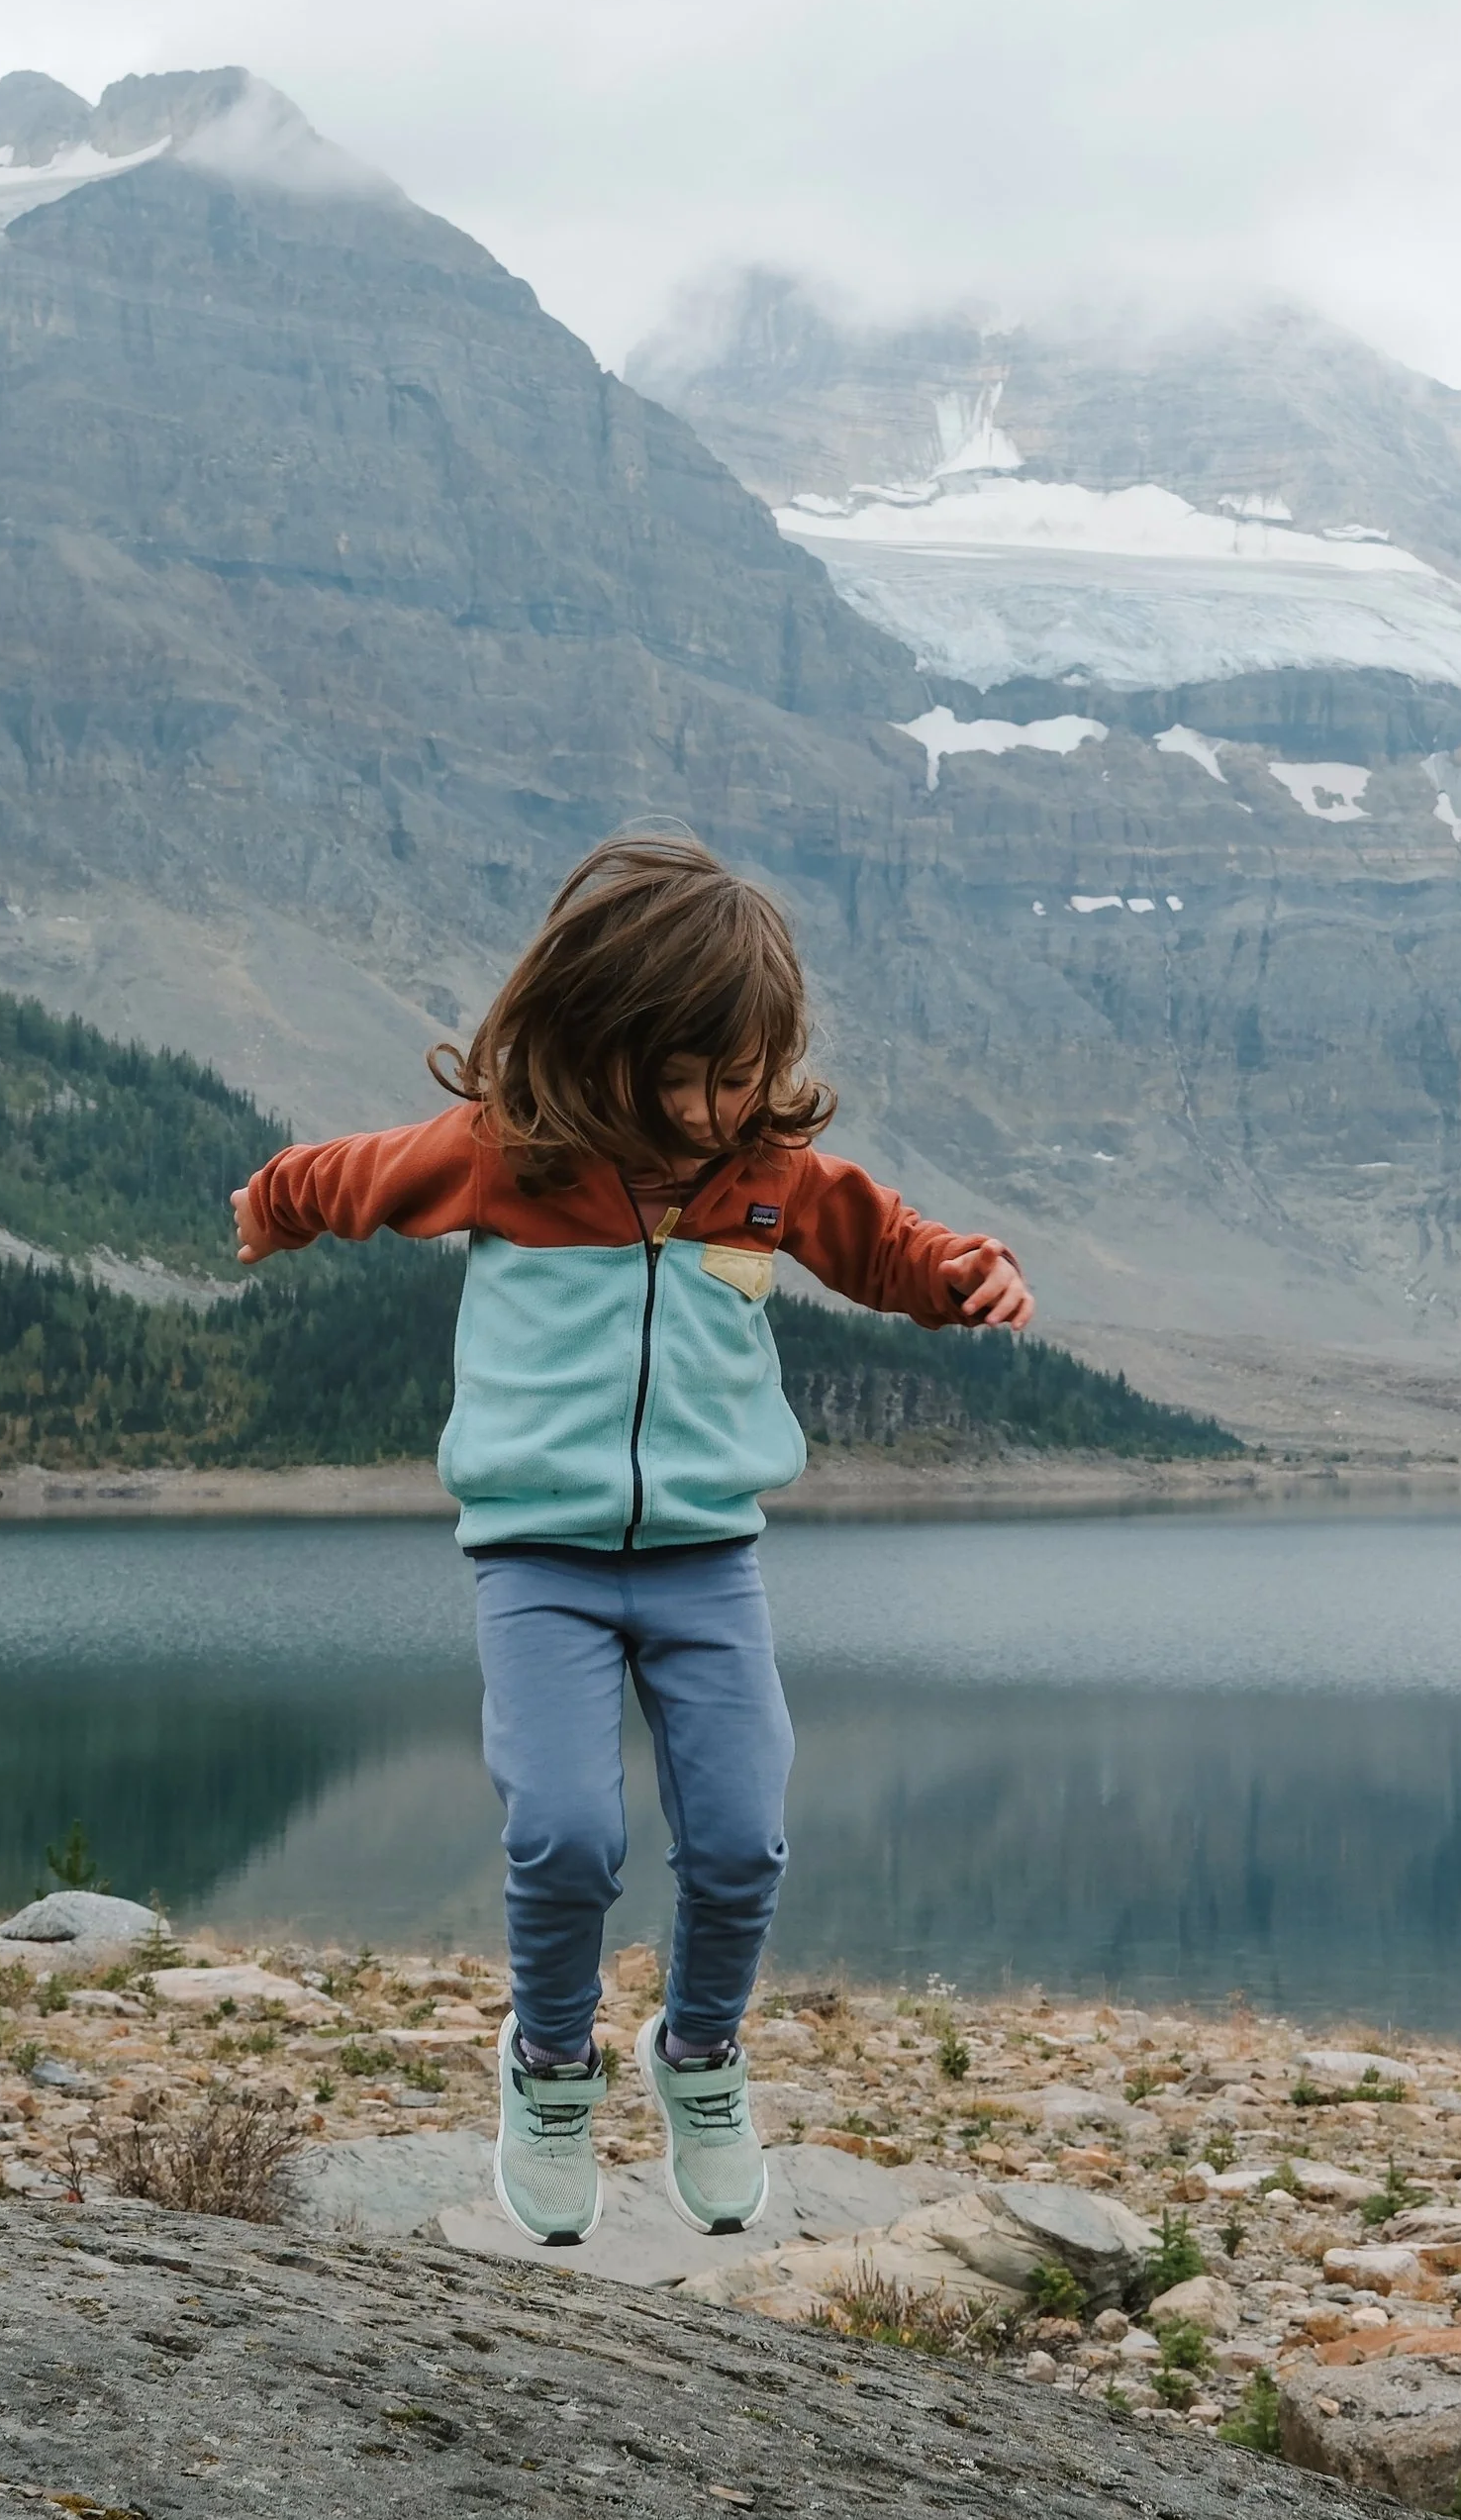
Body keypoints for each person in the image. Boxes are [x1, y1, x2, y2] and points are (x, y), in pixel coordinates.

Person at [229, 832, 1032, 2248]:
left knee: (739, 1842)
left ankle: (700, 2060)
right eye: (685, 1075)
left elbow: (891, 1247)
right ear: (600, 1042)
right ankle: (549, 2072)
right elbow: (342, 1176)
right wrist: (272, 1208)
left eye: (740, 1075)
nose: (716, 1106)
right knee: (564, 1834)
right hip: (538, 1560)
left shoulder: (771, 1176)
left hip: (709, 1560)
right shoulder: (497, 1160)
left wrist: (966, 1276)